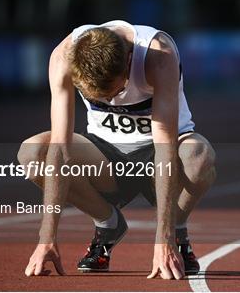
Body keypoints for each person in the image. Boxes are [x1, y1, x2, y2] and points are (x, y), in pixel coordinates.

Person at [17, 20, 216, 280]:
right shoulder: (63, 57)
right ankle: (107, 223)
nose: (113, 102)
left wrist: (163, 238)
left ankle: (177, 229)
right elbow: (60, 149)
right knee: (33, 153)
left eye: (117, 90)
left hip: (163, 152)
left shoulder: (158, 55)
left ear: (129, 60)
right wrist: (46, 237)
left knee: (198, 155)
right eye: (101, 98)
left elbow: (164, 147)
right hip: (106, 155)